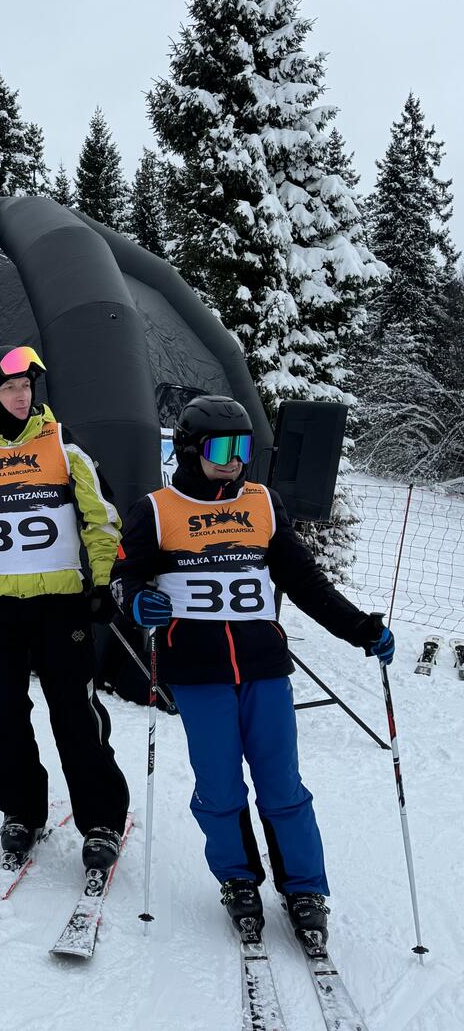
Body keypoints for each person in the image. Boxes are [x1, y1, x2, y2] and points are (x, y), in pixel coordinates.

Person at [111, 395, 395, 941]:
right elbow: (123, 576)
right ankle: (238, 878)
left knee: (282, 785)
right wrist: (136, 601)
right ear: (192, 451)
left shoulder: (263, 503)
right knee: (219, 788)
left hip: (264, 669)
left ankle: (305, 886)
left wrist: (361, 629)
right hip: (198, 673)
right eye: (222, 448)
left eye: (243, 447)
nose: (234, 459)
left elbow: (307, 583)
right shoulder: (157, 509)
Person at [0, 344, 130, 871]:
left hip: (60, 604)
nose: (21, 395)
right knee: (2, 716)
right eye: (10, 387)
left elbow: (101, 519)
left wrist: (104, 582)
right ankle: (22, 811)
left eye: (27, 386)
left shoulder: (62, 443)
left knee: (75, 713)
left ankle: (101, 819)